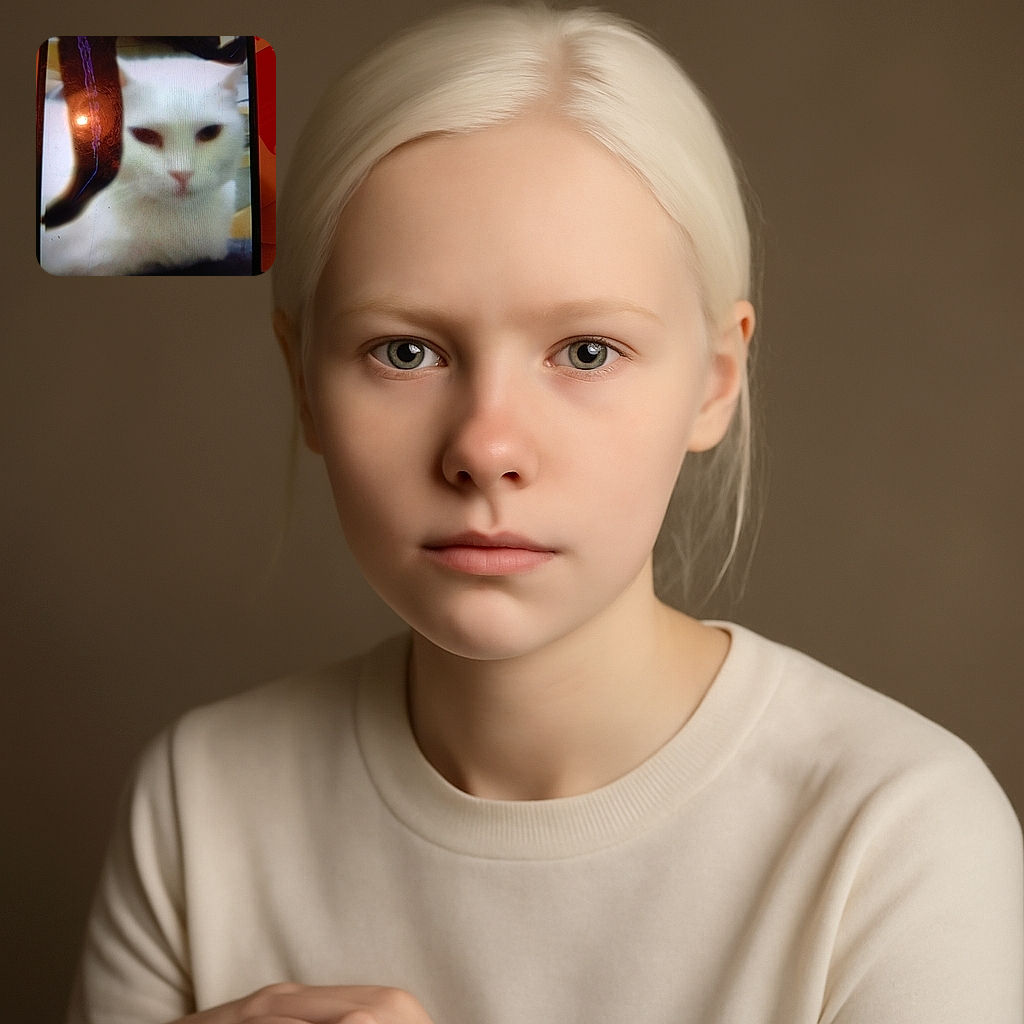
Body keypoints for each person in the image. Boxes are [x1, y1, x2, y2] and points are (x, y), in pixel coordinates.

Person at [66, 6, 1023, 1023]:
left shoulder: (896, 829)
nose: (485, 447)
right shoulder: (199, 803)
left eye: (585, 352)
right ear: (302, 382)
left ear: (713, 381)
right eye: (404, 351)